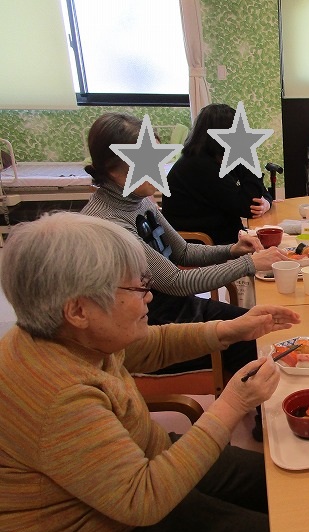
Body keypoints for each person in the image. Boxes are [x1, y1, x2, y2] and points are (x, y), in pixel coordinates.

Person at [0, 212, 301, 532]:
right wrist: (233, 404)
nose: (149, 297)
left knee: (276, 483)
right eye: (136, 288)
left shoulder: (67, 335)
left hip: (130, 476)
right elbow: (143, 500)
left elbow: (147, 345)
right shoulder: (58, 394)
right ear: (78, 310)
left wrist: (231, 328)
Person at [82, 112, 288, 441]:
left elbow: (183, 252)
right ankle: (267, 427)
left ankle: (259, 410)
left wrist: (234, 250)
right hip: (147, 328)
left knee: (257, 325)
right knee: (253, 339)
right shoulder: (110, 224)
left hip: (172, 308)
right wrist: (250, 263)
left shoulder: (139, 201)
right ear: (114, 170)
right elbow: (177, 282)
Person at [163, 103, 273, 245]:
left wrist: (266, 203)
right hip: (205, 243)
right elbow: (248, 207)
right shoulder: (199, 165)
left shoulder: (215, 157)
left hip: (223, 234)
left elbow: (259, 193)